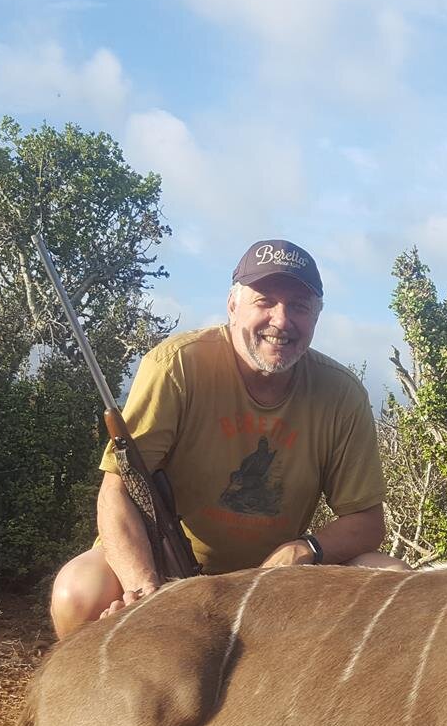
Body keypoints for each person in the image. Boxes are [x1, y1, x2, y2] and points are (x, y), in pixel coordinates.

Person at [49, 238, 402, 639]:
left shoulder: (342, 392)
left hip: (277, 580)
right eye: (264, 300)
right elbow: (118, 490)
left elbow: (367, 523)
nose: (282, 320)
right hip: (162, 565)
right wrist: (142, 588)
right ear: (233, 305)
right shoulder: (176, 366)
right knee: (77, 593)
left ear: (316, 318)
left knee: (392, 577)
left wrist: (304, 551)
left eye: (299, 306)